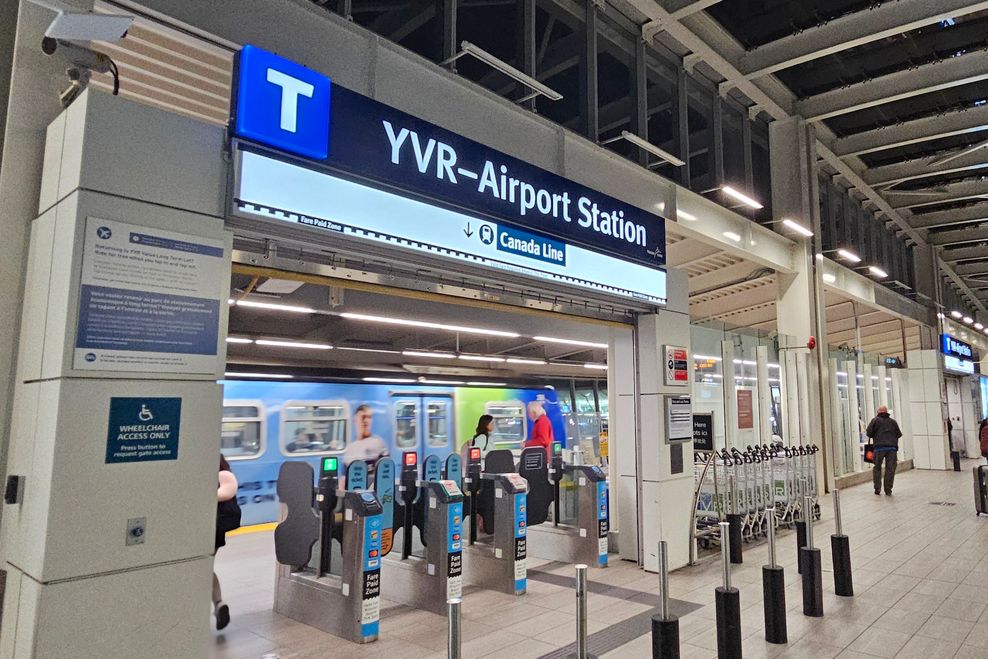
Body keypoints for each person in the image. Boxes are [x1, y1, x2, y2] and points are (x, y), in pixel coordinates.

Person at [214, 456, 239, 631]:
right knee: (205, 567)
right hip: (207, 527)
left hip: (211, 528)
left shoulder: (223, 473)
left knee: (204, 567)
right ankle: (218, 604)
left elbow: (227, 492)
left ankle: (218, 603)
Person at [866, 405, 902, 496]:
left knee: (877, 468)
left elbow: (868, 433)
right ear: (886, 412)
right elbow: (898, 434)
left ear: (878, 412)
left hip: (879, 448)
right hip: (892, 449)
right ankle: (888, 490)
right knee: (890, 469)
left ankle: (877, 488)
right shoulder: (893, 422)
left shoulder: (875, 420)